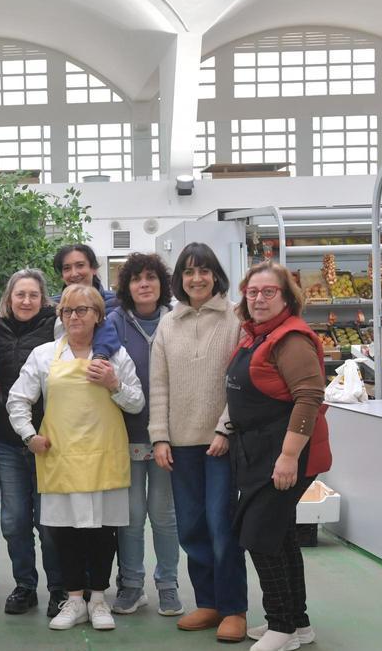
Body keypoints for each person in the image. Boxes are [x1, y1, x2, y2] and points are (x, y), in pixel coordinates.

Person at [7, 284, 144, 632]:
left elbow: (137, 402)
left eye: (82, 310)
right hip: (61, 456)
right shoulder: (43, 354)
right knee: (63, 533)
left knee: (103, 532)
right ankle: (73, 600)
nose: (74, 317)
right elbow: (17, 400)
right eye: (67, 311)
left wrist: (114, 384)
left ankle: (98, 600)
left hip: (104, 455)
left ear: (98, 315)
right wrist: (29, 435)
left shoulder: (115, 357)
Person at [226, 261, 332, 651]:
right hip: (258, 451)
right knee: (281, 535)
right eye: (252, 292)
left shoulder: (292, 339)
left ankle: (280, 628)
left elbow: (309, 396)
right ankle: (298, 624)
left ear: (287, 297)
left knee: (260, 535)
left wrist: (288, 457)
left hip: (285, 454)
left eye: (268, 292)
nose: (258, 298)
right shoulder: (256, 335)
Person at [148, 242, 248, 642]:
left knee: (222, 526)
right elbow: (159, 384)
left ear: (215, 275)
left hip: (219, 443)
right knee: (191, 527)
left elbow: (240, 382)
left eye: (203, 270)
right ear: (180, 280)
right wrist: (159, 437)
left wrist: (225, 429)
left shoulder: (235, 318)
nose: (197, 278)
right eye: (188, 272)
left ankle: (233, 608)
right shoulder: (168, 323)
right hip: (181, 444)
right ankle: (207, 602)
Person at [105, 253, 182, 618]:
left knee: (164, 514)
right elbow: (100, 355)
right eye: (136, 279)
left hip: (169, 434)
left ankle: (168, 585)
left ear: (162, 283)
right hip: (127, 434)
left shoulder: (177, 318)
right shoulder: (115, 322)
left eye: (151, 277)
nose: (144, 284)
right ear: (127, 286)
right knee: (132, 515)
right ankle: (132, 585)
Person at [0, 269, 65, 617]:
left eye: (33, 295)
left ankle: (59, 589)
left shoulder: (55, 326)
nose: (26, 301)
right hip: (7, 439)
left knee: (48, 521)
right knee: (15, 520)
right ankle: (24, 586)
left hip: (50, 439)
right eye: (20, 294)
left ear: (44, 299)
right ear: (9, 297)